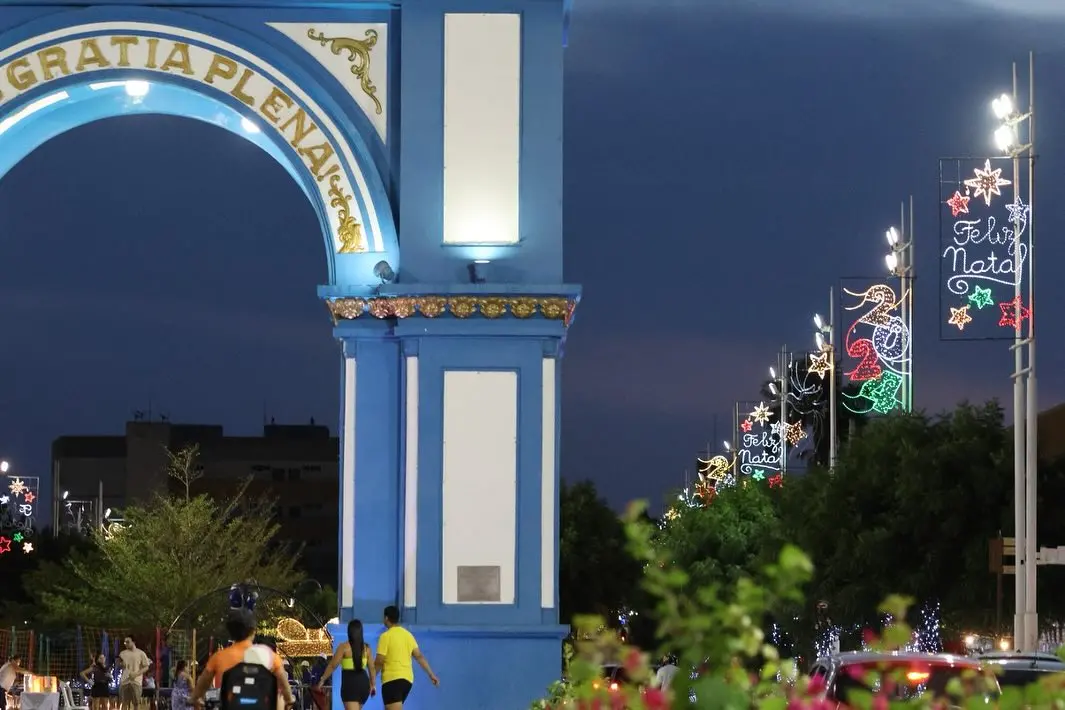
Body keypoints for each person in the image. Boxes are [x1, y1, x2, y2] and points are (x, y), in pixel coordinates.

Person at [190, 609, 295, 710]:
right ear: (253, 631)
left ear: (230, 631)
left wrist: (194, 698)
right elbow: (284, 685)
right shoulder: (270, 656)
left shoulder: (218, 657)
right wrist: (289, 700)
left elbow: (202, 685)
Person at [373, 606, 438, 710]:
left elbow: (379, 662)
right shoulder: (408, 635)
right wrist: (431, 674)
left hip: (392, 679)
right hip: (407, 681)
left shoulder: (385, 636)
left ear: (386, 618)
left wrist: (371, 679)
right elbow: (419, 656)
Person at [314, 620, 375, 710]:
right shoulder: (367, 649)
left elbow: (332, 665)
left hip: (350, 686)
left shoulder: (344, 647)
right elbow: (372, 668)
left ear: (349, 632)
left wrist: (322, 680)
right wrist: (373, 685)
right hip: (364, 686)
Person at [119, 639, 150, 710]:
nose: (125, 643)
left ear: (133, 642)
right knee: (124, 702)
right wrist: (121, 664)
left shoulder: (141, 653)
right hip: (125, 681)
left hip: (136, 681)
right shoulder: (122, 653)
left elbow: (146, 667)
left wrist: (136, 674)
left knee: (136, 703)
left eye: (127, 642)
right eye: (124, 642)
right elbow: (119, 664)